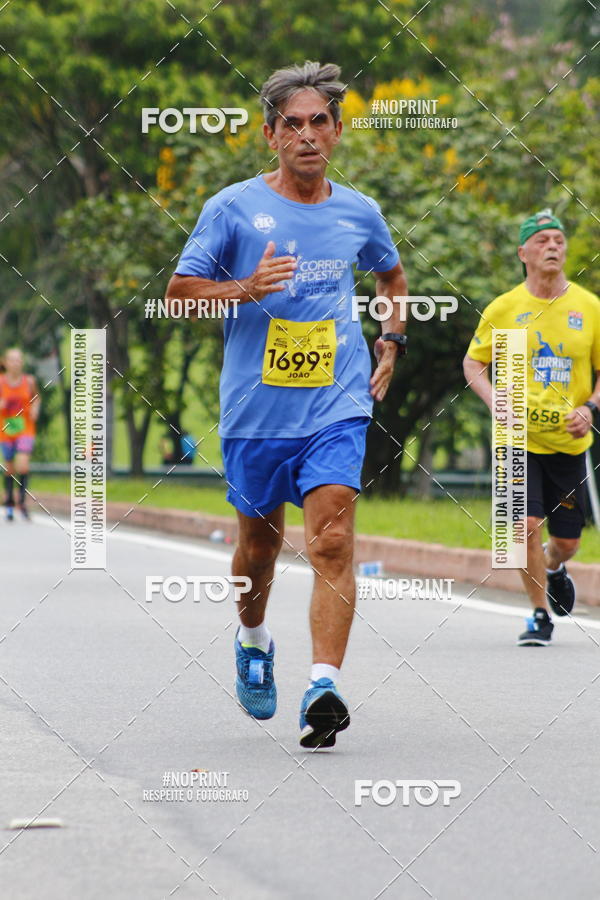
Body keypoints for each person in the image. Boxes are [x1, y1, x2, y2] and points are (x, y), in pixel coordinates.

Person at [166, 61, 407, 746]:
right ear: (270, 136)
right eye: (292, 124)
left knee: (331, 539)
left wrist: (393, 339)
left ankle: (323, 685)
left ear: (336, 132)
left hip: (335, 404)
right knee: (257, 550)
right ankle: (253, 638)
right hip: (254, 415)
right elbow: (180, 292)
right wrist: (244, 288)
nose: (307, 135)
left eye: (319, 123)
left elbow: (391, 274)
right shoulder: (232, 208)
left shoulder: (359, 211)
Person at [463, 209, 600, 646]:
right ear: (523, 252)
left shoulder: (589, 306)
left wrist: (592, 408)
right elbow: (473, 363)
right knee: (523, 527)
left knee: (567, 543)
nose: (553, 247)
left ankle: (555, 567)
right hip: (515, 440)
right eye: (542, 240)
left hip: (567, 442)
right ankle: (540, 614)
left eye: (559, 239)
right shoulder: (505, 308)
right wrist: (492, 398)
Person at [0, 348, 40, 521]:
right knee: (9, 468)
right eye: (12, 360)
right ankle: (9, 502)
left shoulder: (29, 381)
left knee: (23, 465)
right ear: (5, 362)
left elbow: (36, 397)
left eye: (19, 360)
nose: (16, 363)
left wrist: (35, 409)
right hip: (7, 428)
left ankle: (22, 502)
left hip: (25, 428)